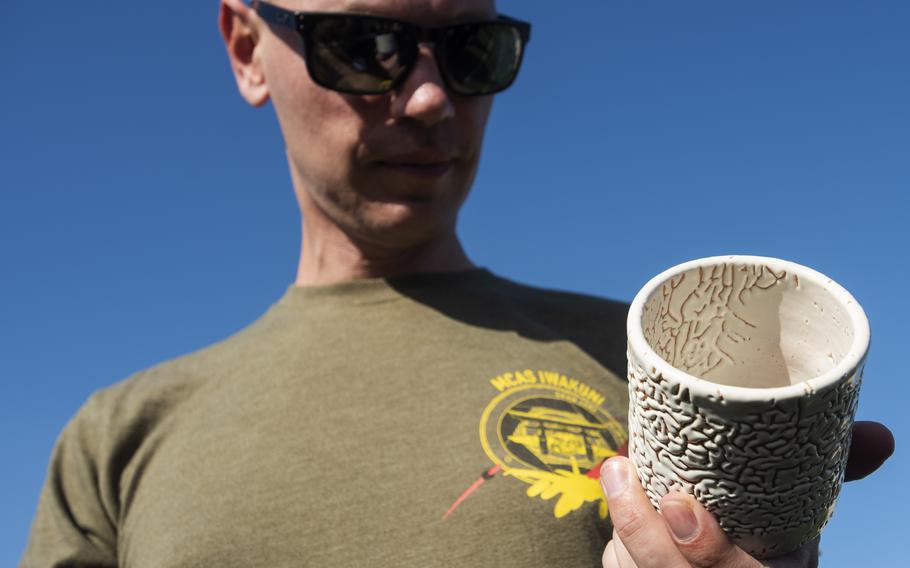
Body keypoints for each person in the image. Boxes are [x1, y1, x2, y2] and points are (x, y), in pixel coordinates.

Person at [21, 0, 893, 566]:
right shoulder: (119, 437)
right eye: (369, 47)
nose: (433, 99)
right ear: (248, 49)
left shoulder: (641, 361)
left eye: (472, 52)